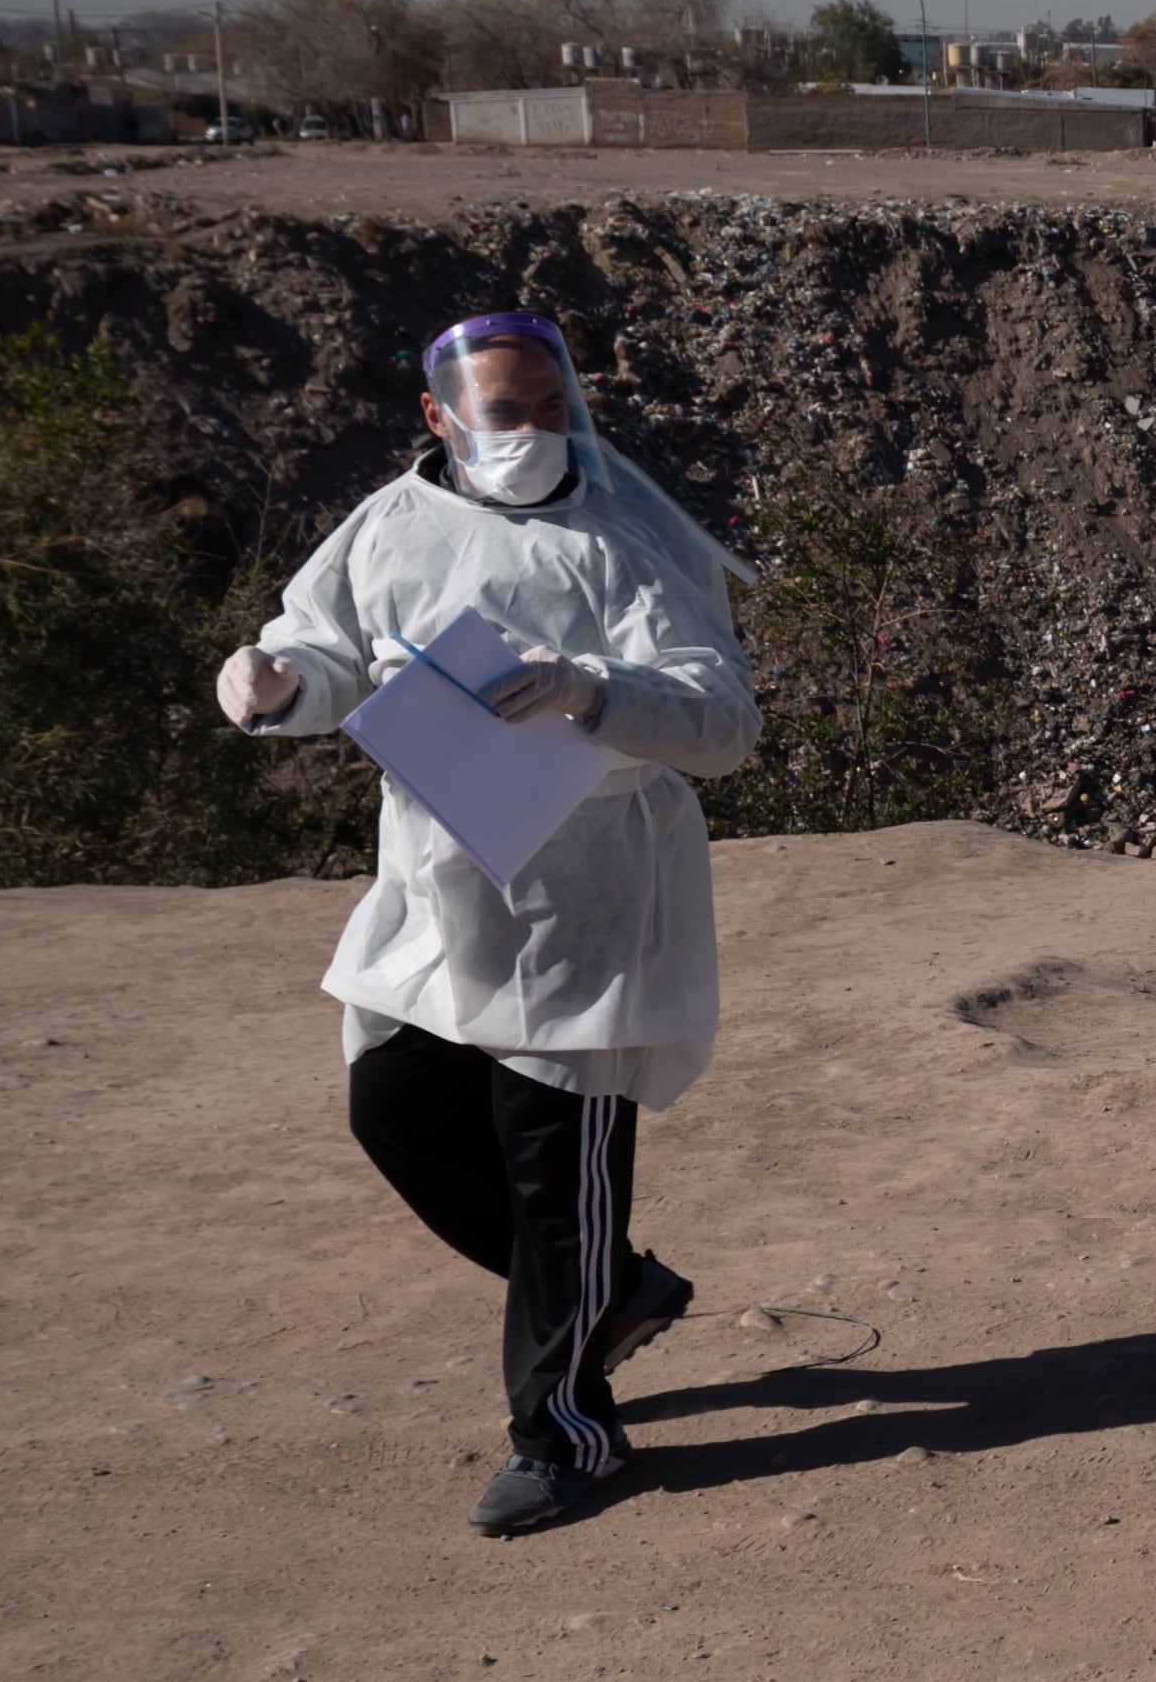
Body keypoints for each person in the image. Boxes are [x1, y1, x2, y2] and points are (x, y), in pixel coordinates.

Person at [215, 311, 758, 1538]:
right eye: (504, 413)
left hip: (587, 900)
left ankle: (565, 1431)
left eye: (550, 408)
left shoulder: (623, 536)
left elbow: (723, 719)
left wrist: (594, 691)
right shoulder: (391, 524)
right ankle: (613, 1292)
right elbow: (329, 647)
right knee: (394, 1108)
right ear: (441, 417)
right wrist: (276, 682)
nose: (530, 434)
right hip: (438, 886)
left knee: (554, 1174)